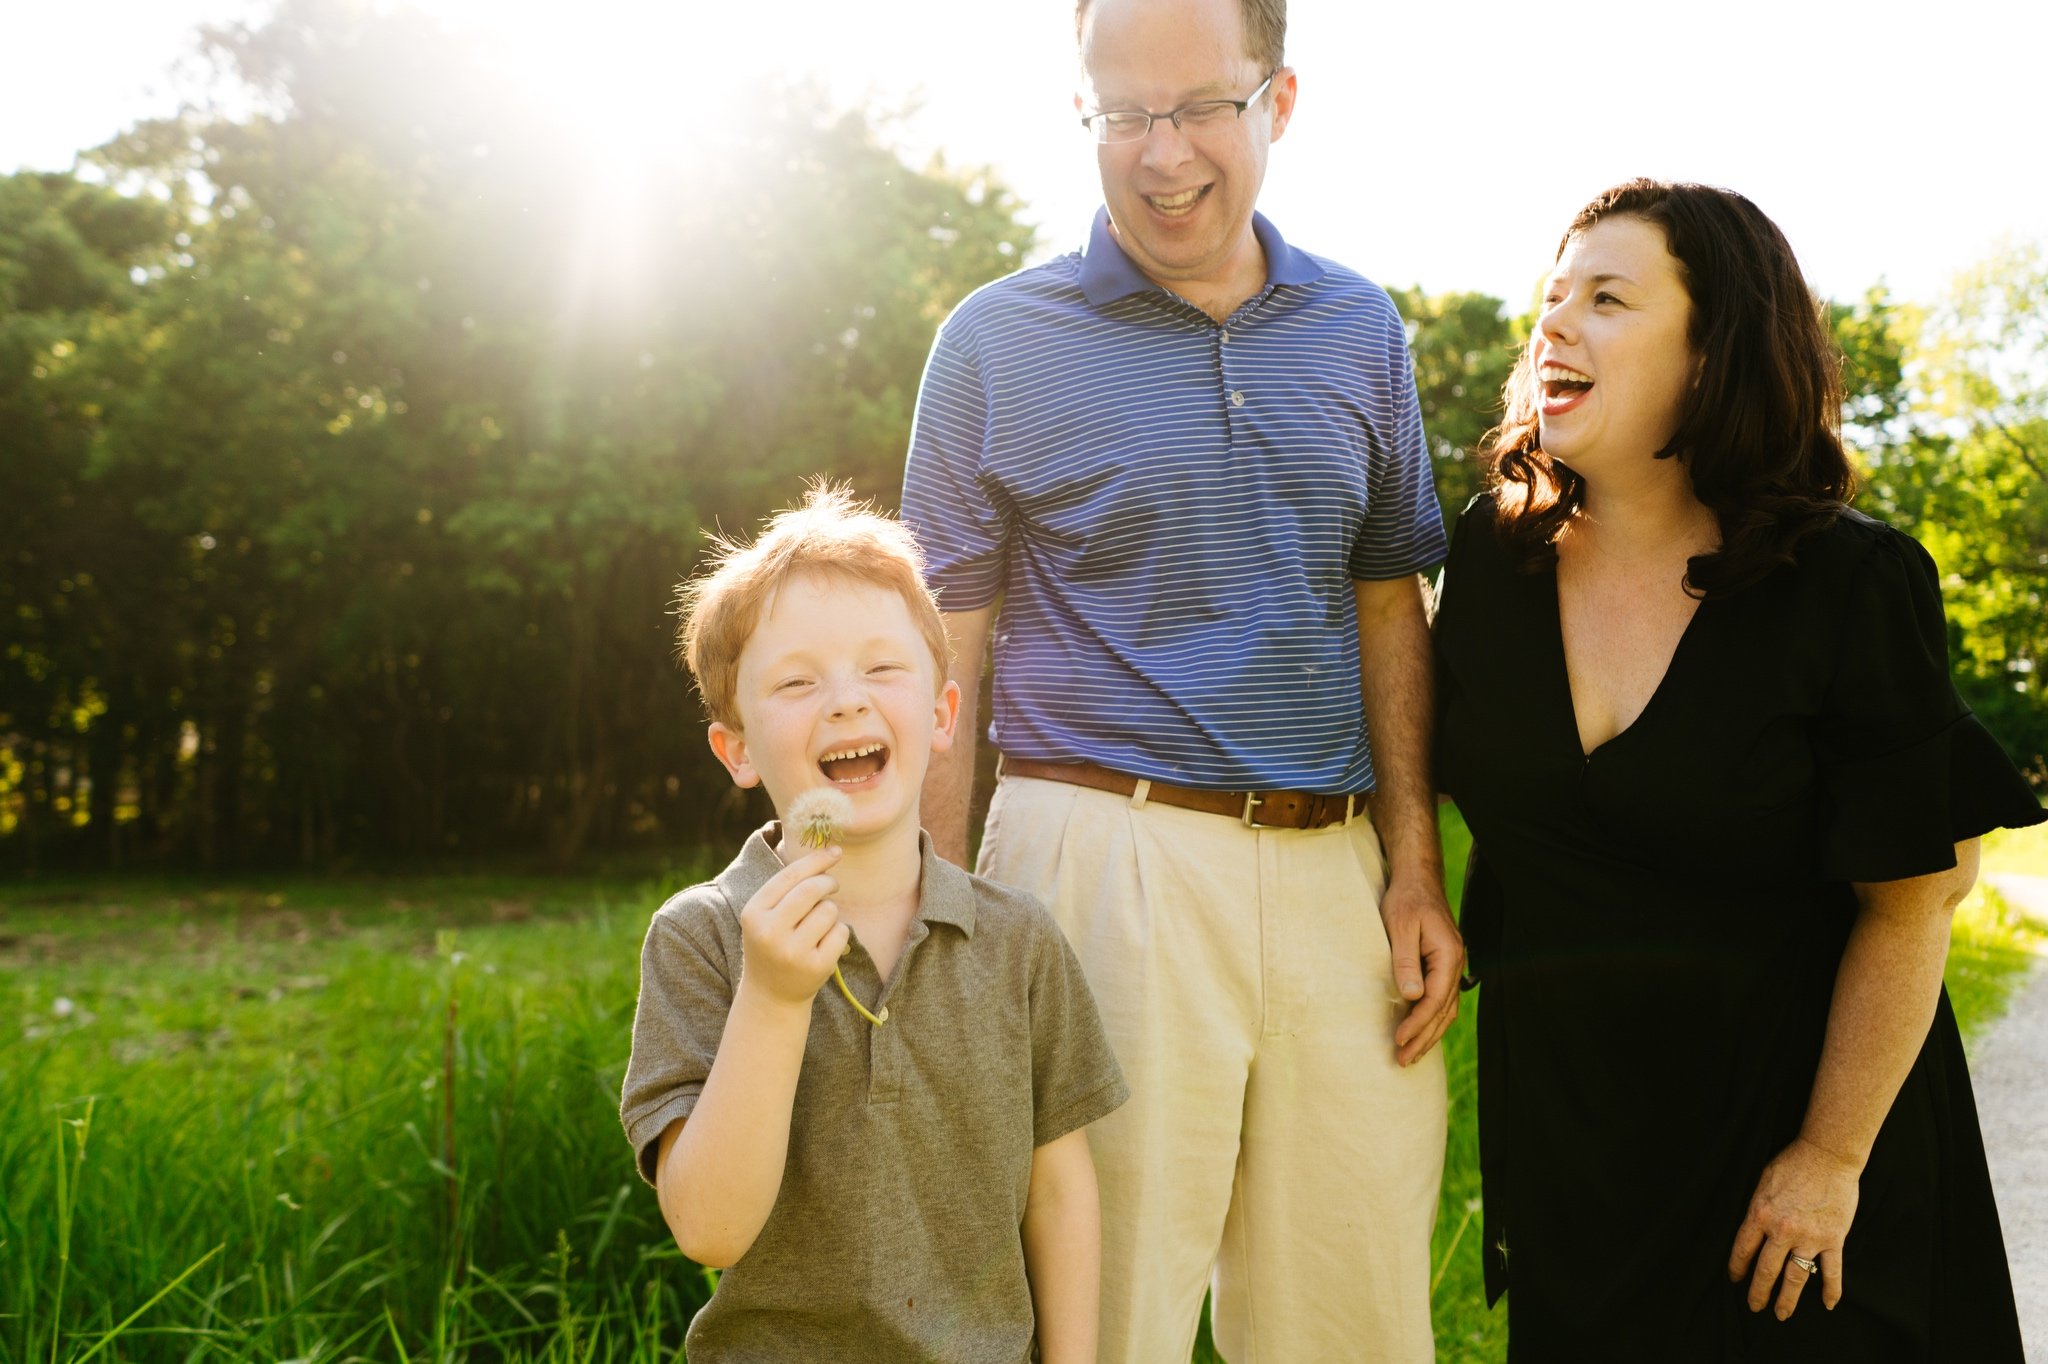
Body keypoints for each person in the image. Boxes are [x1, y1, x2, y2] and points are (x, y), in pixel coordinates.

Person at [899, 0, 1461, 1357]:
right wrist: (928, 913)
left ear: (1279, 98)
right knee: (1105, 1316)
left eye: (1203, 105)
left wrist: (1414, 867)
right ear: (1080, 112)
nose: (1164, 156)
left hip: (1336, 883)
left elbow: (1392, 603)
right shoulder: (994, 341)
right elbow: (944, 653)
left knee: (1358, 1316)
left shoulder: (1359, 329)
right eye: (1123, 114)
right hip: (1101, 855)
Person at [1433, 178, 2043, 1360]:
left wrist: (1827, 1158)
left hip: (1801, 1181)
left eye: (1606, 299)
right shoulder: (1487, 558)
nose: (1552, 325)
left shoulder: (1849, 585)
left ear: (1713, 353)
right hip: (1579, 1160)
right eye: (1550, 297)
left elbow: (1917, 894)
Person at [619, 485, 1129, 1363]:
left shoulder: (1018, 942)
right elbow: (708, 1229)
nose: (847, 701)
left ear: (941, 713)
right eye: (796, 681)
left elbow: (1057, 1190)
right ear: (736, 747)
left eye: (880, 668)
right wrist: (774, 998)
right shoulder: (701, 935)